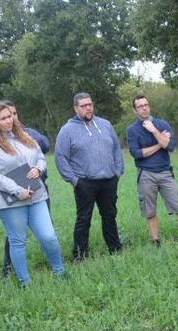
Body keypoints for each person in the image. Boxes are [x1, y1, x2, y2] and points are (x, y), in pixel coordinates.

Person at [0, 101, 64, 286]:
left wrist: (38, 170)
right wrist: (17, 190)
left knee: (48, 236)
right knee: (18, 241)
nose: (10, 121)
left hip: (37, 196)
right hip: (11, 202)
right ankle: (25, 283)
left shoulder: (23, 135)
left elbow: (40, 157)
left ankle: (60, 273)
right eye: (4, 118)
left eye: (10, 116)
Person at [54, 93, 124, 259]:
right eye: (84, 105)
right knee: (84, 219)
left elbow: (116, 148)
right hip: (84, 183)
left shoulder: (105, 124)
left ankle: (115, 250)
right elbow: (60, 157)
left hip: (109, 180)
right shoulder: (67, 130)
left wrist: (118, 171)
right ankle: (80, 256)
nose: (88, 108)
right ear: (76, 108)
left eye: (90, 104)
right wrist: (74, 180)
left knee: (110, 216)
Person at [126, 95, 178, 248]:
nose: (144, 108)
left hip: (165, 173)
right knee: (150, 212)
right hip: (145, 174)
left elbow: (171, 146)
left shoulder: (161, 123)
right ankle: (156, 243)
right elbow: (137, 154)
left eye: (146, 104)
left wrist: (154, 131)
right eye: (140, 106)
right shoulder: (132, 130)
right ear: (135, 110)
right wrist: (160, 144)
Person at [0, 100, 51, 278]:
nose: (12, 118)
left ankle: (51, 260)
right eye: (7, 115)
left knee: (46, 230)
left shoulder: (28, 133)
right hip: (15, 192)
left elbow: (45, 144)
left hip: (38, 189)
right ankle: (9, 269)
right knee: (14, 235)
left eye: (14, 114)